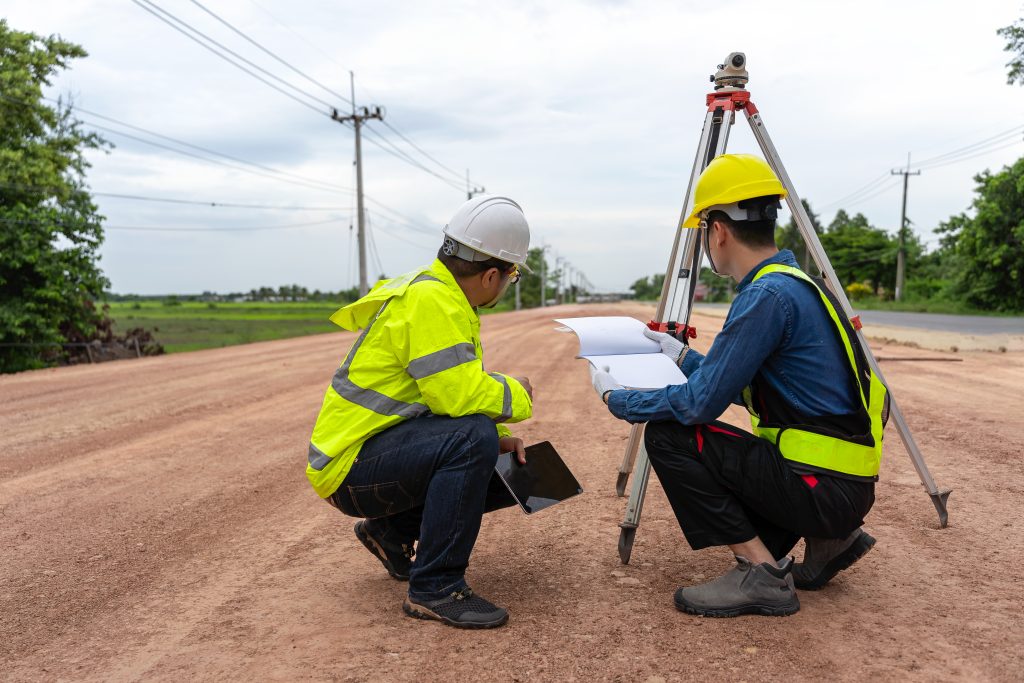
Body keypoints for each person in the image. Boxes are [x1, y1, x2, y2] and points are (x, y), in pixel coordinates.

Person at [591, 154, 887, 617]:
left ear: (719, 231)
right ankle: (832, 539)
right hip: (842, 487)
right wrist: (681, 355)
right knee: (714, 443)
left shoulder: (764, 296)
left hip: (822, 489)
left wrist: (620, 399)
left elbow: (700, 404)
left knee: (668, 436)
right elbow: (737, 384)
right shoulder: (796, 284)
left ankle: (762, 575)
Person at [306, 194, 534, 629]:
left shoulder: (433, 292)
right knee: (474, 439)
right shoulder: (433, 302)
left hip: (366, 456)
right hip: (349, 468)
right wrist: (517, 394)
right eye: (512, 276)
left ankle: (388, 534)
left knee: (487, 449)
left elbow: (439, 398)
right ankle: (436, 588)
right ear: (491, 276)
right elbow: (458, 398)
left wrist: (489, 438)